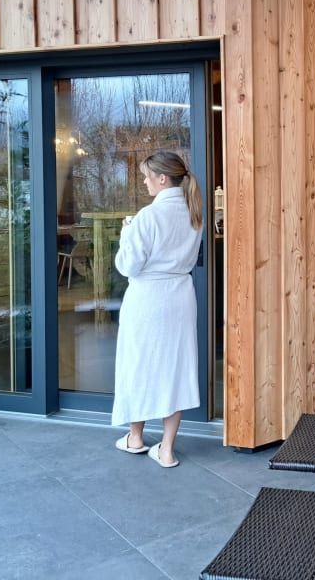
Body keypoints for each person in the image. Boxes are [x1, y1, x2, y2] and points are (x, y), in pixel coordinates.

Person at [111, 150, 203, 468]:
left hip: (147, 299)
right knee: (176, 368)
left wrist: (127, 233)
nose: (144, 182)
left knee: (138, 364)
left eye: (147, 176)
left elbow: (128, 266)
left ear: (162, 179)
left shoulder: (148, 216)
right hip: (180, 298)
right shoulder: (194, 215)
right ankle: (167, 449)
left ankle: (135, 437)